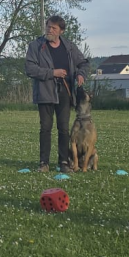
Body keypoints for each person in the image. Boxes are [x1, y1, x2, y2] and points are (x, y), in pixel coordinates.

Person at [25, 15, 90, 173]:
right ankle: (43, 163)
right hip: (45, 92)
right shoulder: (36, 46)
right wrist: (52, 73)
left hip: (65, 93)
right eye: (48, 26)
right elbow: (30, 69)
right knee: (45, 128)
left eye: (53, 28)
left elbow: (83, 63)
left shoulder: (69, 46)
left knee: (64, 129)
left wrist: (81, 74)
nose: (49, 30)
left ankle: (63, 162)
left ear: (61, 31)